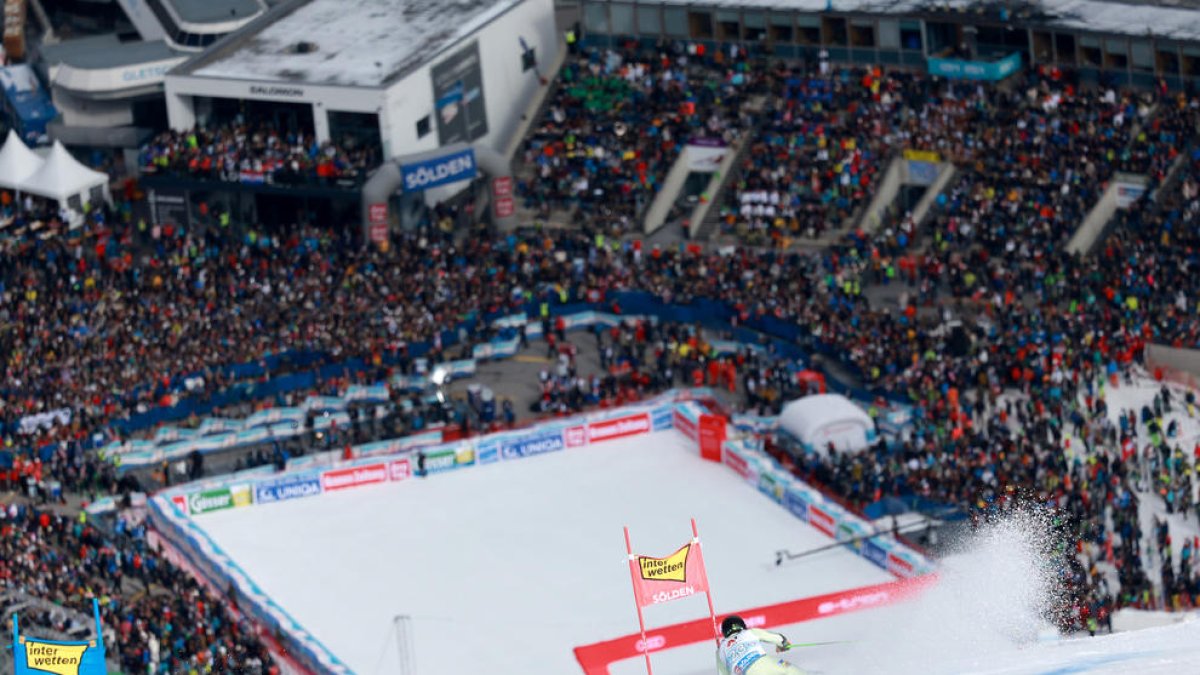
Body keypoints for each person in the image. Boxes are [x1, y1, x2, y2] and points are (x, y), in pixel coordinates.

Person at [716, 615, 805, 675]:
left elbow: (723, 673)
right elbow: (777, 638)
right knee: (789, 667)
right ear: (742, 625)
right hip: (763, 662)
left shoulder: (720, 651)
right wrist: (783, 643)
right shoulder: (749, 632)